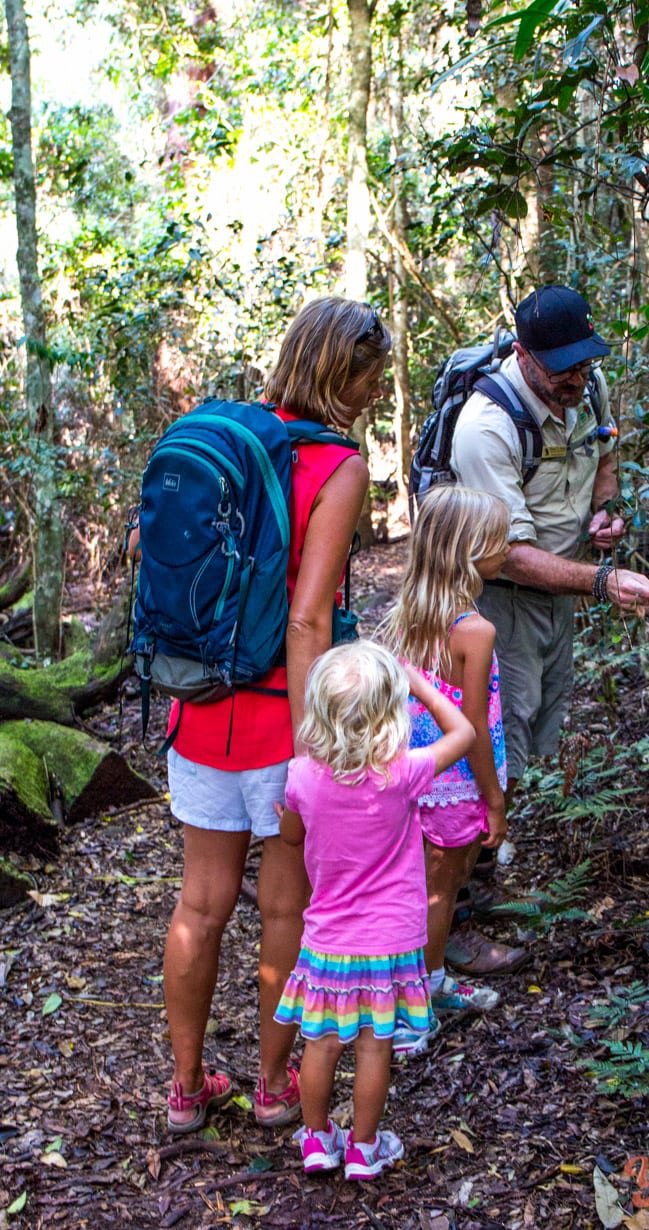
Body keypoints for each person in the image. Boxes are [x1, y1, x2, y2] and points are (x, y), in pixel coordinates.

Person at [161, 298, 391, 1134]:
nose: (375, 391)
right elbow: (308, 619)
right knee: (285, 910)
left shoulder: (228, 437)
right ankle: (269, 1086)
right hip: (277, 721)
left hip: (200, 709)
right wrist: (314, 747)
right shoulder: (335, 464)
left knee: (199, 903)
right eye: (371, 375)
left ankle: (186, 1090)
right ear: (344, 370)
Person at [449, 285, 649, 963]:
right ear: (523, 355)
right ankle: (454, 915)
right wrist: (603, 583)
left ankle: (482, 888)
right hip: (499, 600)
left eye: (583, 364)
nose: (575, 379)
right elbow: (505, 554)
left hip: (562, 591)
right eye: (560, 370)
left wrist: (606, 509)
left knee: (531, 736)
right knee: (492, 749)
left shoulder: (589, 387)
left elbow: (605, 453)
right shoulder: (486, 428)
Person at [274, 640, 474, 1179]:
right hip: (389, 942)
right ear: (392, 711)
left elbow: (291, 836)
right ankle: (364, 1149)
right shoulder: (401, 773)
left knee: (320, 1043)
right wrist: (423, 685)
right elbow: (465, 733)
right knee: (372, 1048)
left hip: (328, 941)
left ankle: (317, 1140)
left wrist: (289, 813)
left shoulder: (301, 776)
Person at [381, 484, 528, 1040]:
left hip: (409, 777)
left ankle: (426, 981)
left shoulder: (406, 618)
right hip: (456, 784)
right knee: (440, 890)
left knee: (417, 886)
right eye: (498, 542)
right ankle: (414, 1005)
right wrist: (495, 799)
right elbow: (470, 732)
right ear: (469, 553)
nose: (507, 549)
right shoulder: (476, 632)